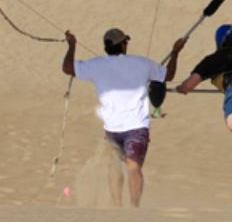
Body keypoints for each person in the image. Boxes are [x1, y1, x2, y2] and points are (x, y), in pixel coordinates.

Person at [62, 28, 185, 208]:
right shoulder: (140, 63)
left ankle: (117, 206)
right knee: (133, 167)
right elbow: (169, 75)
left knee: (114, 166)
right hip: (136, 126)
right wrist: (175, 52)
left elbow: (67, 68)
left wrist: (71, 46)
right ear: (122, 45)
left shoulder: (96, 65)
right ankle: (134, 207)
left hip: (113, 128)